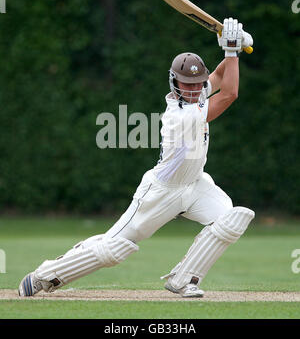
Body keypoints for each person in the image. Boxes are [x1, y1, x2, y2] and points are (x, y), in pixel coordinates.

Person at [19, 18, 255, 298]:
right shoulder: (181, 115)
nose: (193, 89)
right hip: (160, 193)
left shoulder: (197, 93)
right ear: (174, 82)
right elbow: (229, 92)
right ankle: (45, 275)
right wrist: (231, 51)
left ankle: (183, 279)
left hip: (195, 185)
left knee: (230, 218)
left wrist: (235, 48)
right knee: (114, 249)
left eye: (197, 84)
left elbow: (217, 76)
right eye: (186, 84)